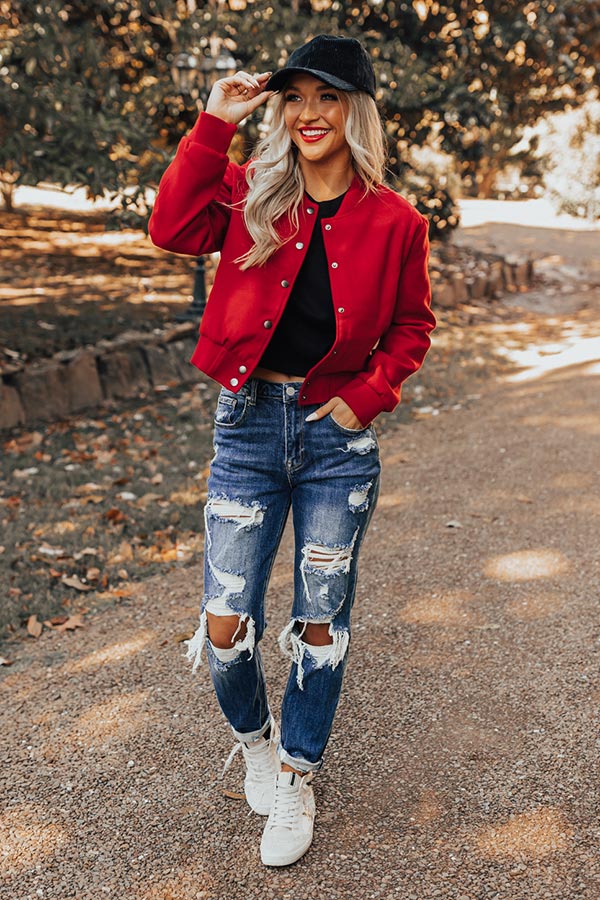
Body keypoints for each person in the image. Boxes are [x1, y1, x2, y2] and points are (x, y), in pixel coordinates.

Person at [148, 33, 435, 867]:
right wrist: (214, 123)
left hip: (335, 440)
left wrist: (365, 398)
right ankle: (258, 743)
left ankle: (298, 775)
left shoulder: (398, 220)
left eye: (328, 97)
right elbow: (171, 227)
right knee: (225, 621)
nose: (309, 113)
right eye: (296, 97)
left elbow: (413, 327)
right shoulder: (252, 192)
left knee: (320, 622)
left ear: (356, 111)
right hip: (246, 428)